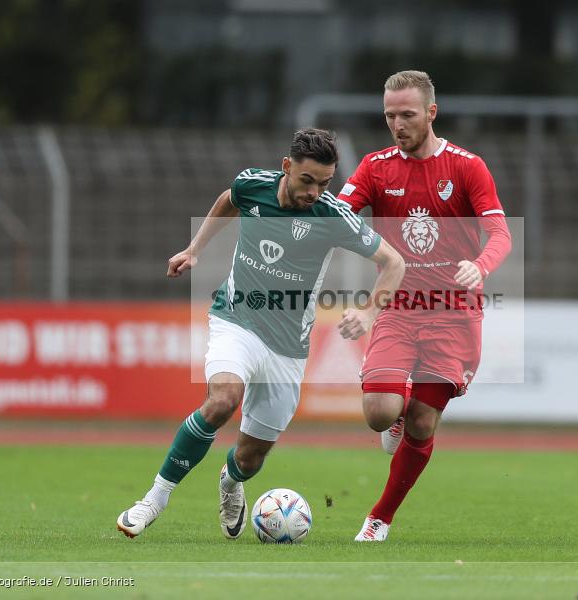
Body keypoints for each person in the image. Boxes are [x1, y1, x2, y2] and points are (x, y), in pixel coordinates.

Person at [117, 128, 404, 540]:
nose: (314, 192)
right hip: (237, 320)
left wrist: (370, 311)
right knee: (222, 400)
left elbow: (394, 263)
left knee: (249, 459)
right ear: (286, 167)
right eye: (307, 181)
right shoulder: (254, 184)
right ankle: (153, 500)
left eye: (325, 183)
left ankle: (231, 482)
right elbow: (228, 200)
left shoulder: (331, 215)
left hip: (287, 349)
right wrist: (195, 248)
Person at [336, 71, 512, 542]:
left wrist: (481, 265)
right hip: (397, 304)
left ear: (431, 112)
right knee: (379, 412)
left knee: (421, 419)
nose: (397, 123)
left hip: (454, 314)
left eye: (407, 114)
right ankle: (394, 409)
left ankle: (379, 518)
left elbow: (499, 232)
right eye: (390, 115)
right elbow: (340, 213)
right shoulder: (374, 167)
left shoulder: (467, 166)